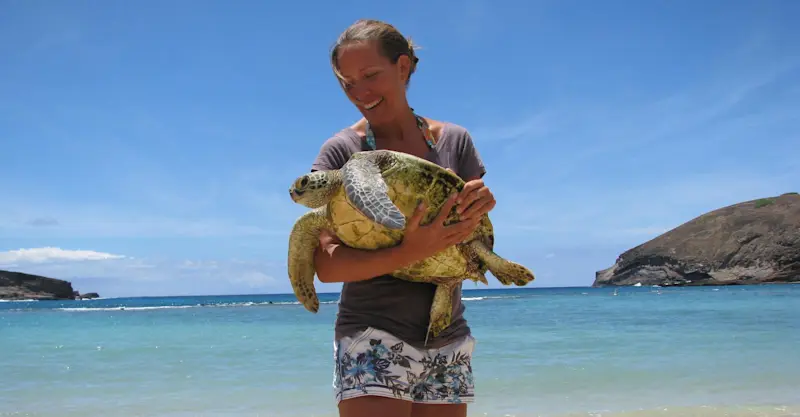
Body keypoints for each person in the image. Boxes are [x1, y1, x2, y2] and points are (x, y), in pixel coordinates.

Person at [310, 19, 496, 417]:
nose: (359, 92)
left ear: (404, 67)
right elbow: (325, 266)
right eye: (347, 83)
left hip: (446, 333)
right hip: (371, 331)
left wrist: (482, 203)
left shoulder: (454, 141)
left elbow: (465, 236)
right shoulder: (342, 152)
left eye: (370, 75)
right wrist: (410, 251)